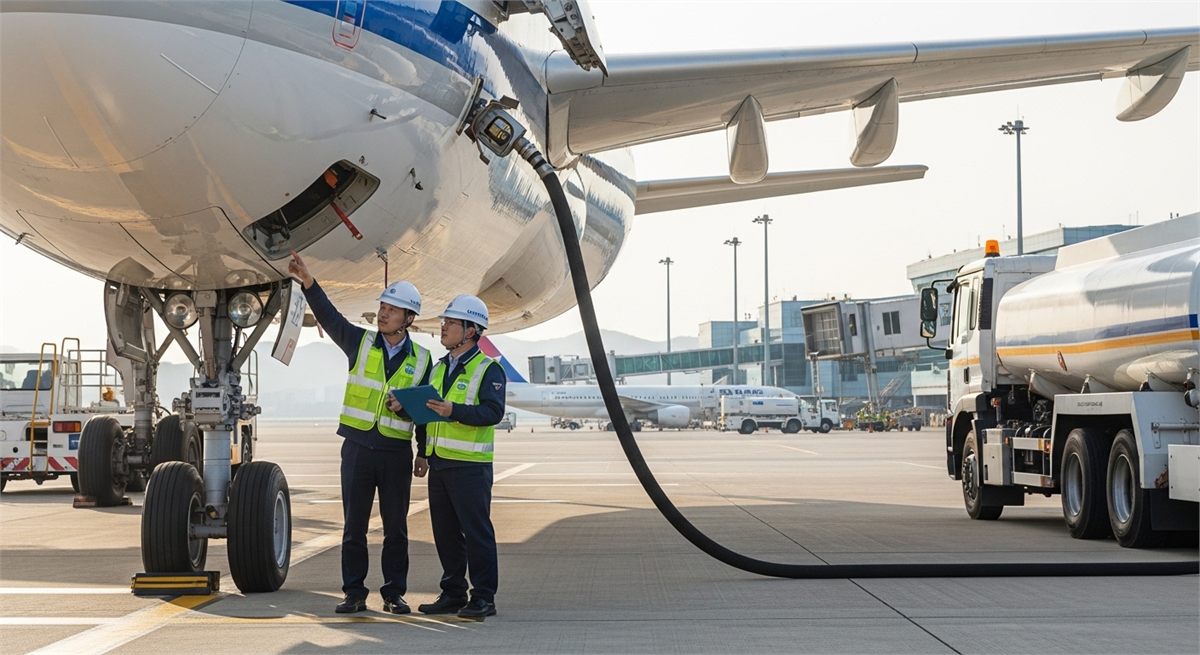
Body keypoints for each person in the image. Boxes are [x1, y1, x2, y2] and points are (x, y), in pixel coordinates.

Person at [288, 251, 431, 615]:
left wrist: (423, 451)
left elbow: (426, 411)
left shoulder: (424, 360)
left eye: (392, 309)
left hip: (396, 451)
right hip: (357, 448)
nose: (383, 313)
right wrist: (308, 282)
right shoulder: (360, 342)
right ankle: (353, 593)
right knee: (354, 527)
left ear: (408, 319)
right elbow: (330, 318)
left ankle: (394, 593)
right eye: (383, 306)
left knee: (396, 529)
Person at [415, 294, 506, 621]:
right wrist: (422, 451)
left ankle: (484, 597)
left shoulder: (489, 369)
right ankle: (454, 592)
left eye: (450, 323)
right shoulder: (439, 368)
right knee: (446, 533)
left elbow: (493, 413)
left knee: (476, 532)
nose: (444, 327)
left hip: (470, 466)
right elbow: (426, 414)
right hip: (439, 463)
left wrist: (456, 411)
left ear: (470, 331)